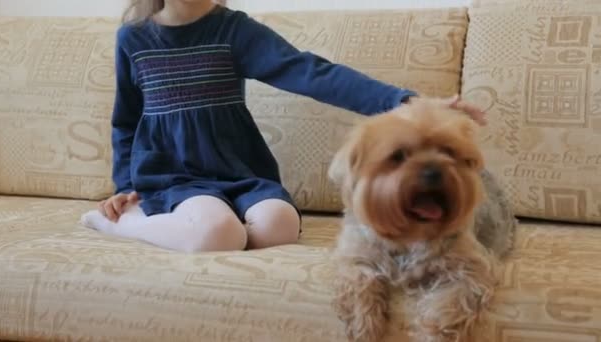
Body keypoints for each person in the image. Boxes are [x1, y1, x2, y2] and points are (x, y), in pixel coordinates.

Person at [81, 0, 486, 253]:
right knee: (217, 235)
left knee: (281, 224)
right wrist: (124, 188)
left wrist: (403, 102)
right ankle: (126, 227)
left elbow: (311, 72)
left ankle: (215, 223)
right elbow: (126, 121)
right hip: (173, 178)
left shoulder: (235, 31)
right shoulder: (132, 39)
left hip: (239, 172)